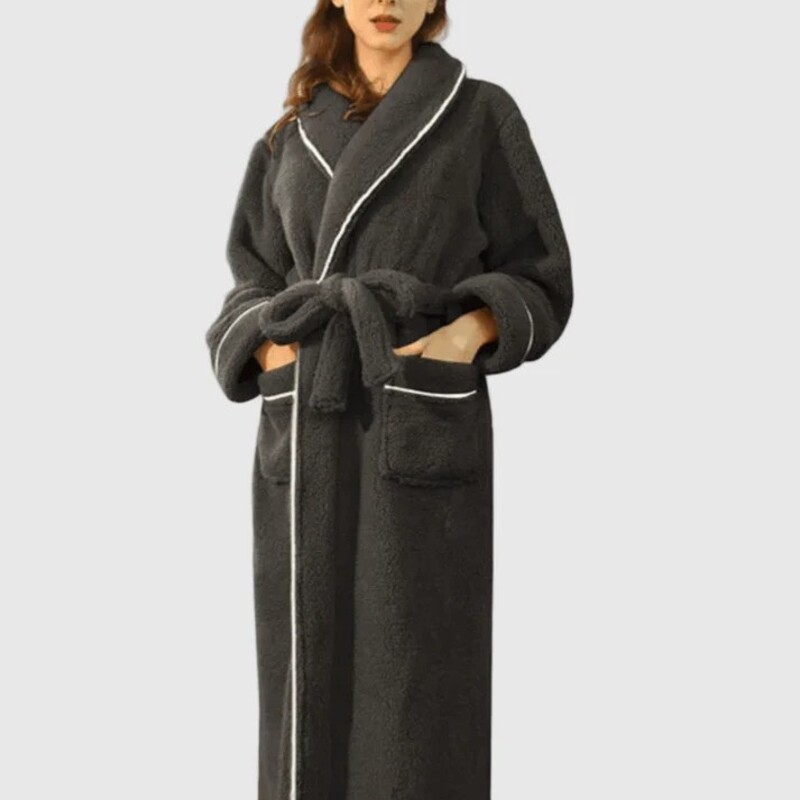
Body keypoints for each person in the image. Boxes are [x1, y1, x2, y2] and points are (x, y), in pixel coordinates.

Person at [205, 1, 573, 798]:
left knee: (417, 672)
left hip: (415, 408)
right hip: (307, 415)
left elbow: (542, 276)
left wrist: (463, 336)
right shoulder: (287, 135)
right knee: (304, 667)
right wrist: (269, 348)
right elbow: (250, 281)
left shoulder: (479, 113)